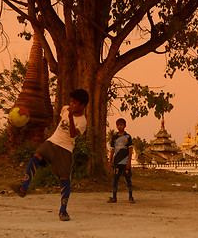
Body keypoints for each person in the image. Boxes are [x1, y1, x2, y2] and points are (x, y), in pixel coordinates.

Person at [11, 89, 89, 221]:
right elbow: (59, 124)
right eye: (71, 101)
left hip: (66, 149)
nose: (71, 104)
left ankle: (62, 212)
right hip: (53, 141)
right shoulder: (65, 109)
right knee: (36, 157)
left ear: (82, 105)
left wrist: (70, 118)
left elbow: (72, 134)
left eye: (75, 103)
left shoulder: (82, 121)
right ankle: (23, 188)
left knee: (64, 180)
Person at [107, 118, 134, 204]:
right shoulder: (114, 138)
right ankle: (114, 197)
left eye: (121, 125)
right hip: (117, 163)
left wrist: (129, 162)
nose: (119, 127)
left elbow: (130, 151)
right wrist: (110, 161)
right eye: (118, 125)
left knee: (128, 180)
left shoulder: (128, 137)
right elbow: (112, 151)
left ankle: (131, 197)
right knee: (115, 180)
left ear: (125, 126)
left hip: (125, 162)